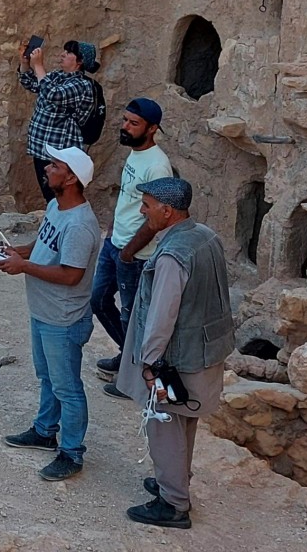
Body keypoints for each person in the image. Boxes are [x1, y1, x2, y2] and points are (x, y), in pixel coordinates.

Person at [115, 177, 235, 530]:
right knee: (185, 423)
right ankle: (175, 480)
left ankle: (173, 502)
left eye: (147, 205)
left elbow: (162, 315)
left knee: (164, 423)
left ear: (166, 212)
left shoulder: (171, 255)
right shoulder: (205, 236)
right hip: (206, 350)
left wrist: (150, 364)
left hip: (177, 359)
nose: (142, 211)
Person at [0, 145, 100, 482]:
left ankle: (71, 452)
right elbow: (45, 244)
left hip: (63, 317)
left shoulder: (81, 225)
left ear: (70, 178)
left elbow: (71, 274)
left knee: (66, 386)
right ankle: (44, 430)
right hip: (45, 310)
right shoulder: (56, 206)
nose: (47, 169)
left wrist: (23, 265)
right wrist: (18, 252)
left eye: (54, 165)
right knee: (48, 377)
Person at [91, 98, 174, 385]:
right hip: (115, 243)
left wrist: (128, 252)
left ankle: (134, 378)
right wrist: (113, 232)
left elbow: (156, 219)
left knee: (132, 316)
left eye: (133, 123)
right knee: (98, 299)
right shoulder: (135, 154)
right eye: (125, 120)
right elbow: (128, 198)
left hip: (135, 255)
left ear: (152, 129)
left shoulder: (158, 166)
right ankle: (127, 358)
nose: (125, 127)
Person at [17, 38, 99, 201]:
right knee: (50, 196)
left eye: (68, 53)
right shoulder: (58, 76)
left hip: (60, 152)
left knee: (59, 196)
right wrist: (25, 63)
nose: (62, 55)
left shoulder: (81, 85)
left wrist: (39, 65)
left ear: (80, 61)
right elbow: (33, 84)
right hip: (42, 149)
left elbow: (52, 94)